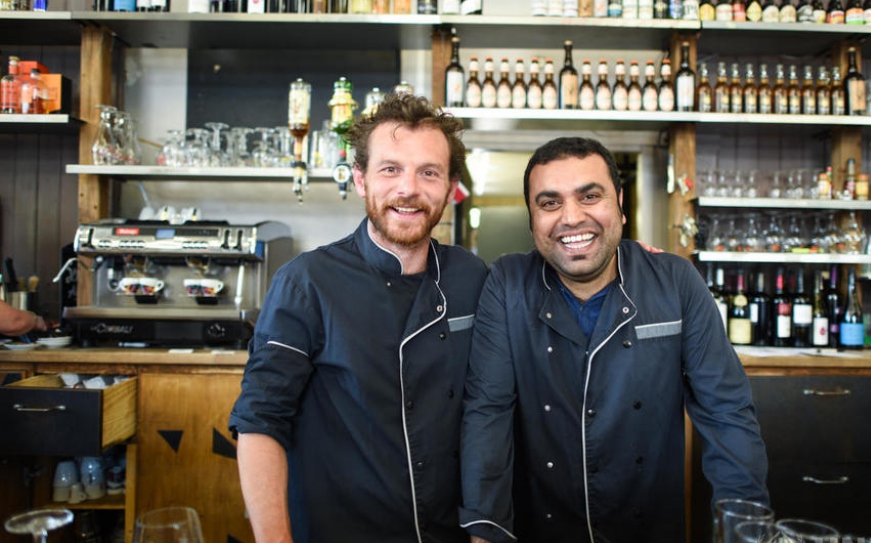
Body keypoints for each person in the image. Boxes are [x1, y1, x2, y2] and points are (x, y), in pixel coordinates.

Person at [459, 137, 769, 543]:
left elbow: (727, 413)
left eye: (589, 196)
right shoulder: (507, 283)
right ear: (531, 218)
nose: (571, 217)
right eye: (549, 203)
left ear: (619, 202)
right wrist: (486, 529)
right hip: (542, 528)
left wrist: (745, 527)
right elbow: (488, 411)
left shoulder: (675, 281)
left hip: (650, 528)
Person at [228, 93, 488, 543]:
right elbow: (259, 423)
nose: (409, 188)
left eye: (429, 172)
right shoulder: (307, 281)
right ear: (361, 180)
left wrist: (632, 263)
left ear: (450, 188)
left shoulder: (472, 276)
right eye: (390, 169)